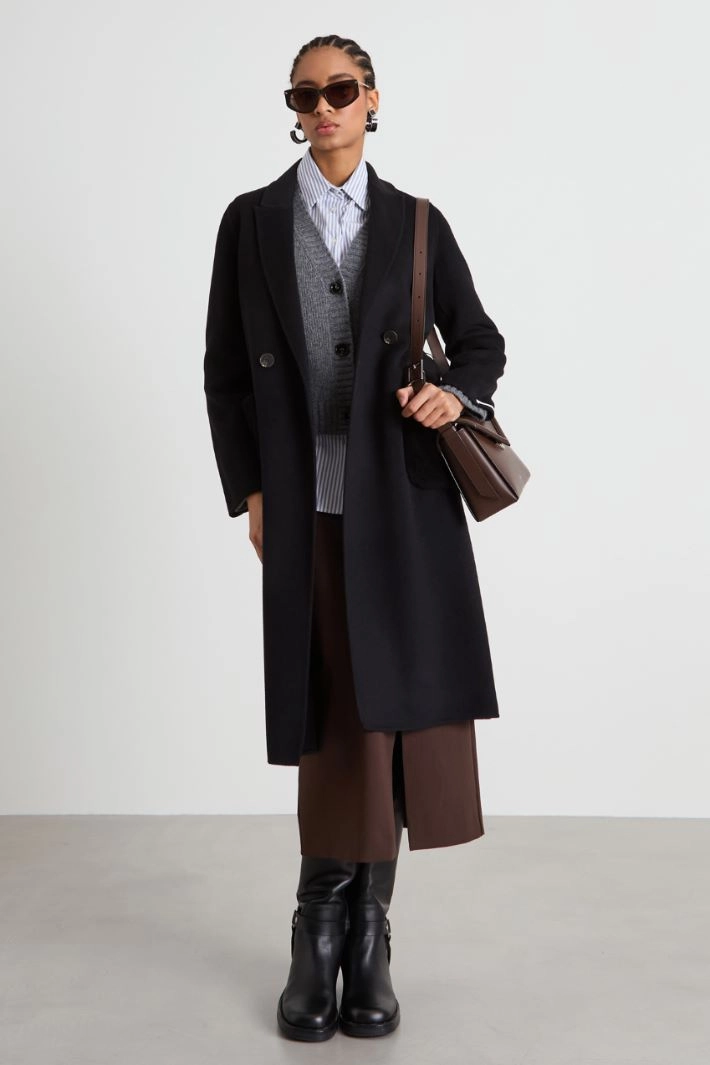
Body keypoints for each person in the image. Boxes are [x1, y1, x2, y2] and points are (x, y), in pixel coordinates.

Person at [203, 34, 507, 1042]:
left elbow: (479, 341)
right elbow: (223, 372)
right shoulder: (251, 222)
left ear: (372, 98)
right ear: (293, 110)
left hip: (403, 503)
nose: (323, 107)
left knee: (393, 709)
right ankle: (317, 926)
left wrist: (452, 395)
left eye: (340, 89)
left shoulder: (416, 223)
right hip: (306, 505)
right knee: (333, 708)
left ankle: (367, 930)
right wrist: (250, 488)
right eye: (306, 94)